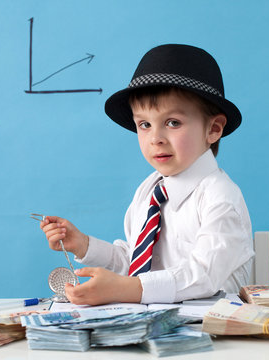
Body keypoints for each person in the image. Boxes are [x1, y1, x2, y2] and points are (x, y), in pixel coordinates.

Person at [40, 44, 254, 305]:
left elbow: (203, 275)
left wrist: (124, 290)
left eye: (173, 123)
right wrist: (83, 244)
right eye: (144, 124)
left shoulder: (220, 196)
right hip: (151, 325)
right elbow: (136, 261)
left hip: (213, 332)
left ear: (213, 129)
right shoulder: (149, 191)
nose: (156, 138)